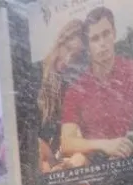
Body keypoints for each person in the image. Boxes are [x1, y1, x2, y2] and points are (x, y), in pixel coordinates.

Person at [60, 7, 133, 164]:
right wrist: (105, 145)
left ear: (114, 34)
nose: (102, 43)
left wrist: (130, 142)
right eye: (95, 38)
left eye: (106, 34)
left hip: (130, 159)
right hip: (94, 167)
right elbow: (66, 143)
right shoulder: (77, 89)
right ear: (88, 46)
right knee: (76, 161)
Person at [38, 19, 88, 172]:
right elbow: (35, 137)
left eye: (75, 56)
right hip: (43, 162)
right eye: (67, 49)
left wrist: (68, 163)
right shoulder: (36, 75)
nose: (67, 60)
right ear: (60, 43)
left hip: (63, 161)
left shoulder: (74, 85)